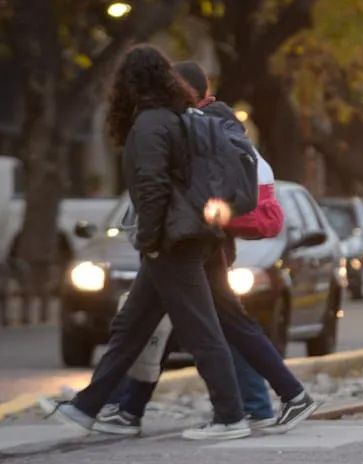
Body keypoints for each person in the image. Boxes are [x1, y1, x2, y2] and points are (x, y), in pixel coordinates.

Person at [42, 47, 317, 441]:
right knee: (133, 326)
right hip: (196, 237)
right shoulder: (184, 119)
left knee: (201, 330)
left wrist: (150, 241)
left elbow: (153, 188)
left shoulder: (151, 124)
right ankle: (88, 407)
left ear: (130, 83)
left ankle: (229, 415)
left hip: (174, 242)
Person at [93, 62, 283, 435]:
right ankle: (113, 406)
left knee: (202, 328)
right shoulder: (187, 123)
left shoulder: (200, 126)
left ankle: (242, 410)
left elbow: (175, 190)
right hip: (186, 243)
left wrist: (158, 237)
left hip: (188, 246)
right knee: (154, 326)